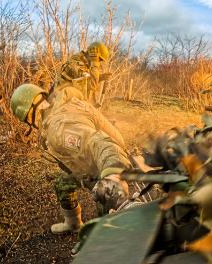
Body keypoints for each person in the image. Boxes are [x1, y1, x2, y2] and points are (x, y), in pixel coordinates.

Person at [10, 83, 132, 234]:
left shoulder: (58, 129)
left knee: (106, 220)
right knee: (62, 184)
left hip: (103, 166)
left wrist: (113, 175)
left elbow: (99, 142)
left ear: (28, 115)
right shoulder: (58, 107)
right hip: (90, 163)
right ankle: (73, 224)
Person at [52, 42, 112, 108]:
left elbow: (88, 79)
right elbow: (91, 85)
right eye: (99, 59)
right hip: (61, 95)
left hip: (70, 94)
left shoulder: (85, 63)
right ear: (92, 54)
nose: (99, 62)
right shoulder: (76, 63)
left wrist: (101, 77)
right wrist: (94, 63)